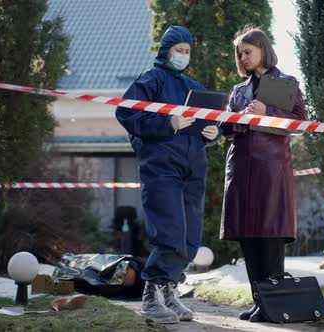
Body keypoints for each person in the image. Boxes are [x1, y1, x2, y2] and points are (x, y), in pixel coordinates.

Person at [115, 26, 220, 324]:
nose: (183, 56)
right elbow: (126, 113)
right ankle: (150, 296)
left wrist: (213, 132)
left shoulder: (194, 87)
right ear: (166, 51)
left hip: (193, 169)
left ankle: (169, 293)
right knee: (170, 231)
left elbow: (208, 123)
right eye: (178, 50)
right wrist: (169, 123)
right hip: (161, 169)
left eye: (187, 51)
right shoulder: (150, 81)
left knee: (189, 238)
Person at [219, 26, 307, 323]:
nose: (243, 58)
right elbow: (224, 128)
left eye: (248, 52)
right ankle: (260, 303)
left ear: (262, 49)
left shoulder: (285, 83)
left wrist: (266, 111)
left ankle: (274, 303)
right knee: (249, 237)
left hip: (271, 170)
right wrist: (238, 120)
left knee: (270, 235)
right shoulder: (238, 91)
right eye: (240, 54)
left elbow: (298, 123)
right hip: (241, 170)